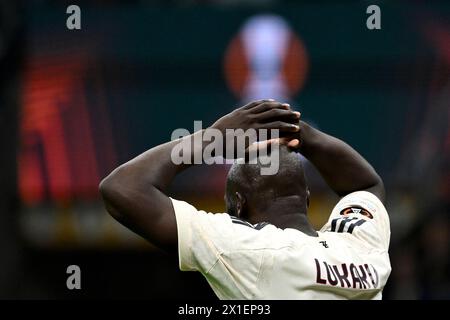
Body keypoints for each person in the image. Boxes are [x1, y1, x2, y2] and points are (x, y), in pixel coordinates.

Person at [99, 99, 391, 299]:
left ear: (238, 205)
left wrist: (212, 137)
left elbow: (121, 189)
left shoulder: (248, 248)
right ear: (306, 200)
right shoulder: (360, 248)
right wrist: (299, 131)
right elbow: (366, 185)